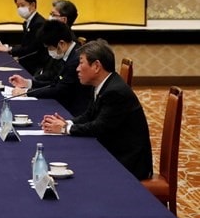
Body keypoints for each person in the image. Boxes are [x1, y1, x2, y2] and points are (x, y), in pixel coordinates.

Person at [40, 39, 153, 181]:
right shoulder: (102, 84)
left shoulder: (115, 92)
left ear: (96, 66)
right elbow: (89, 115)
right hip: (114, 150)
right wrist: (66, 122)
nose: (77, 68)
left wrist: (65, 129)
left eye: (81, 63)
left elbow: (99, 127)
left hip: (128, 162)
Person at [8, 20, 92, 116]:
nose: (49, 51)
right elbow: (54, 82)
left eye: (50, 48)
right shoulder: (67, 54)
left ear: (61, 44)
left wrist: (26, 92)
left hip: (73, 111)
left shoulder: (75, 60)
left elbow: (59, 90)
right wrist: (28, 83)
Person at [0, 0, 48, 75]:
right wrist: (7, 47)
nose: (20, 9)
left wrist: (10, 50)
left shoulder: (39, 23)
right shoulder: (28, 22)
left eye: (22, 5)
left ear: (32, 5)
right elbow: (25, 44)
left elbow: (32, 48)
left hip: (34, 68)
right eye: (18, 6)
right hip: (27, 65)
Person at [35, 0, 79, 81]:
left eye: (53, 15)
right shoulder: (51, 35)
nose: (49, 18)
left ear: (64, 20)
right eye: (50, 14)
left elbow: (55, 75)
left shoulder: (68, 42)